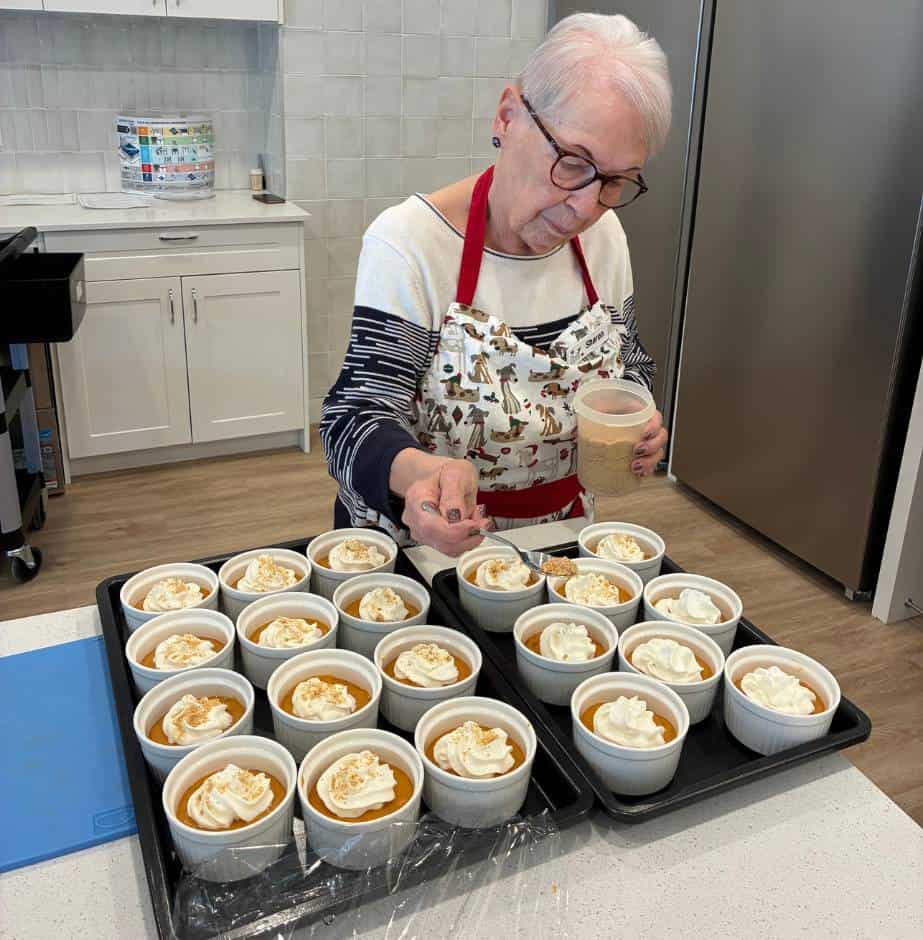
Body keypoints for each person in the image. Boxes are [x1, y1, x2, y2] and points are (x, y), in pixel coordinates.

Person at [321, 12, 671, 556]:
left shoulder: (606, 240)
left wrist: (641, 411)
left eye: (615, 181)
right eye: (574, 163)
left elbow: (628, 362)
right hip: (422, 555)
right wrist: (418, 477)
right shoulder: (411, 244)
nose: (586, 206)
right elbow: (353, 417)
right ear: (509, 116)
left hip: (558, 544)